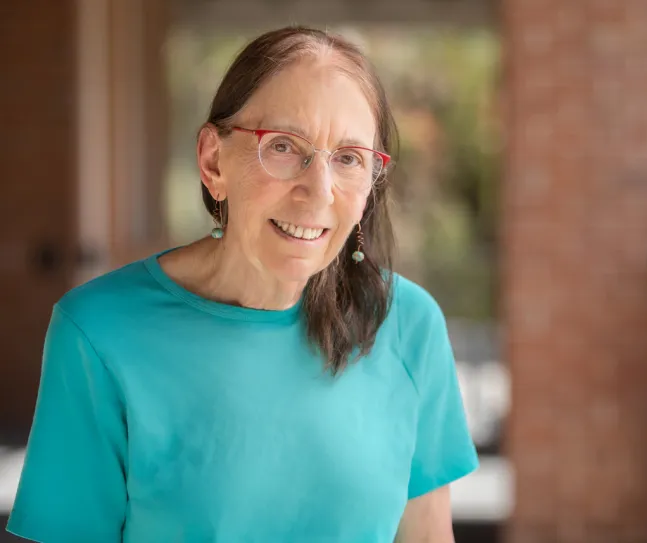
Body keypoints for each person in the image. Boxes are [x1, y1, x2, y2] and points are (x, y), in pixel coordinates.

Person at [6, 26, 478, 543]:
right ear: (213, 162)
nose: (317, 192)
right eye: (282, 146)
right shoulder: (98, 333)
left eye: (348, 158)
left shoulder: (408, 324)